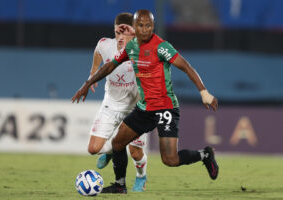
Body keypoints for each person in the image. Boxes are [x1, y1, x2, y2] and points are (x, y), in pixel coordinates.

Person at [72, 9, 219, 193]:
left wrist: (203, 91)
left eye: (148, 25)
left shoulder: (162, 47)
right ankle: (119, 185)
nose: (144, 29)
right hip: (144, 109)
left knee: (170, 160)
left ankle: (205, 154)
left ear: (153, 26)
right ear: (135, 27)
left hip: (165, 108)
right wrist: (87, 83)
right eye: (140, 25)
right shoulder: (131, 47)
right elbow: (110, 66)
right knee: (118, 144)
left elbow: (186, 66)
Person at [85, 12, 148, 193]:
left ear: (133, 32)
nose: (120, 37)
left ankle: (141, 176)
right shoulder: (106, 45)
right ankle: (112, 151)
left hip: (135, 109)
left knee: (136, 153)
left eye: (124, 33)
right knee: (93, 149)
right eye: (117, 32)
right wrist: (93, 72)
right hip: (111, 105)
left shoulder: (142, 50)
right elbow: (98, 51)